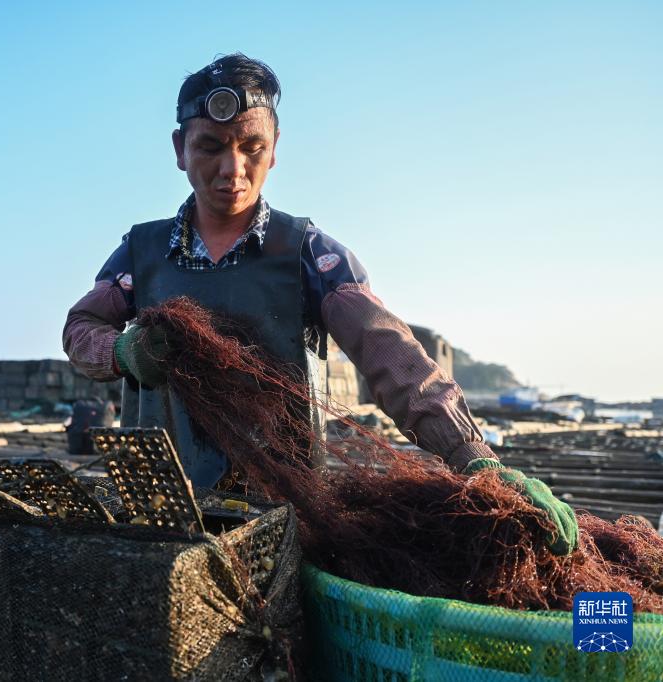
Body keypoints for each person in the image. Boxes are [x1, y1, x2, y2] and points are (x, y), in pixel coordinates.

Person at [62, 53, 577, 555]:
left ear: (275, 148)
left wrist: (473, 457)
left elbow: (386, 349)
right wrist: (122, 350)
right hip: (158, 506)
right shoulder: (141, 252)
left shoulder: (310, 253)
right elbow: (81, 327)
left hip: (274, 510)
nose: (232, 169)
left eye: (252, 147)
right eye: (211, 147)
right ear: (180, 149)